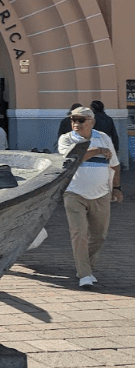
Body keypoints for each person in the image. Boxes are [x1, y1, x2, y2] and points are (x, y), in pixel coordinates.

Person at [57, 106, 123, 288]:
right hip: (73, 192)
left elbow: (114, 165)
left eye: (80, 120)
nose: (75, 123)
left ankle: (86, 266)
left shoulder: (103, 137)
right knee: (79, 233)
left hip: (101, 194)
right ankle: (84, 274)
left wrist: (117, 188)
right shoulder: (66, 138)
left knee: (99, 235)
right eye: (73, 119)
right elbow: (73, 156)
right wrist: (97, 150)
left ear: (91, 122)